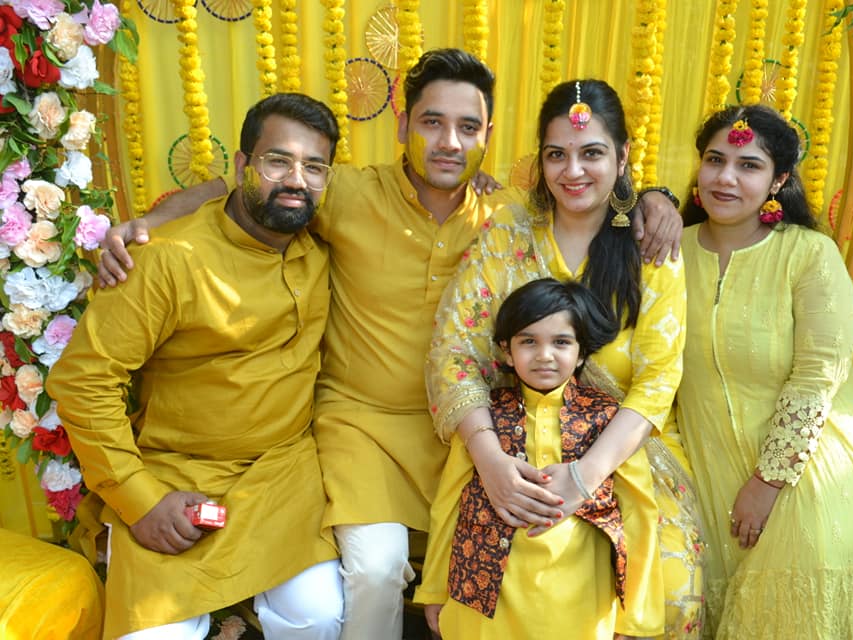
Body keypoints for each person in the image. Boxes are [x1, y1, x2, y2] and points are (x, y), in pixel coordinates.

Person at [96, 50, 685, 640]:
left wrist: (652, 198)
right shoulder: (340, 191)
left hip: (476, 433)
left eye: (468, 127)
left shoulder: (504, 216)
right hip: (362, 427)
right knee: (376, 568)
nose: (449, 142)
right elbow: (242, 186)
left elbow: (598, 196)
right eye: (432, 122)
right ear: (402, 125)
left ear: (488, 136)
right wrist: (147, 226)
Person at [46, 93, 344, 639]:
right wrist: (141, 499)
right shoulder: (163, 260)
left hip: (282, 479)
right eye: (277, 160)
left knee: (320, 614)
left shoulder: (321, 241)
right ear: (240, 165)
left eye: (314, 166)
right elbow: (83, 381)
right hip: (176, 478)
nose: (296, 179)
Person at [420, 79, 703, 638]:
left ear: (623, 157)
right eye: (557, 155)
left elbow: (657, 378)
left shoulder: (649, 246)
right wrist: (493, 465)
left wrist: (584, 476)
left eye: (592, 153)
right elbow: (455, 353)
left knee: (668, 593)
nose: (573, 172)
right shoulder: (507, 232)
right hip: (509, 451)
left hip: (621, 455)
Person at [676, 103, 853, 639]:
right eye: (714, 159)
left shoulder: (808, 254)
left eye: (749, 165)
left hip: (813, 461)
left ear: (779, 179)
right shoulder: (667, 252)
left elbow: (820, 374)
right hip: (711, 464)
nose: (726, 177)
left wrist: (768, 481)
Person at [418, 277, 663, 639]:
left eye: (561, 342)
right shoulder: (483, 421)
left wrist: (636, 617)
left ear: (581, 353)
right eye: (528, 341)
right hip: (486, 599)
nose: (544, 355)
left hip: (580, 599)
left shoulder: (607, 419)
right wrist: (435, 589)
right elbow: (449, 504)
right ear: (506, 350)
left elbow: (640, 513)